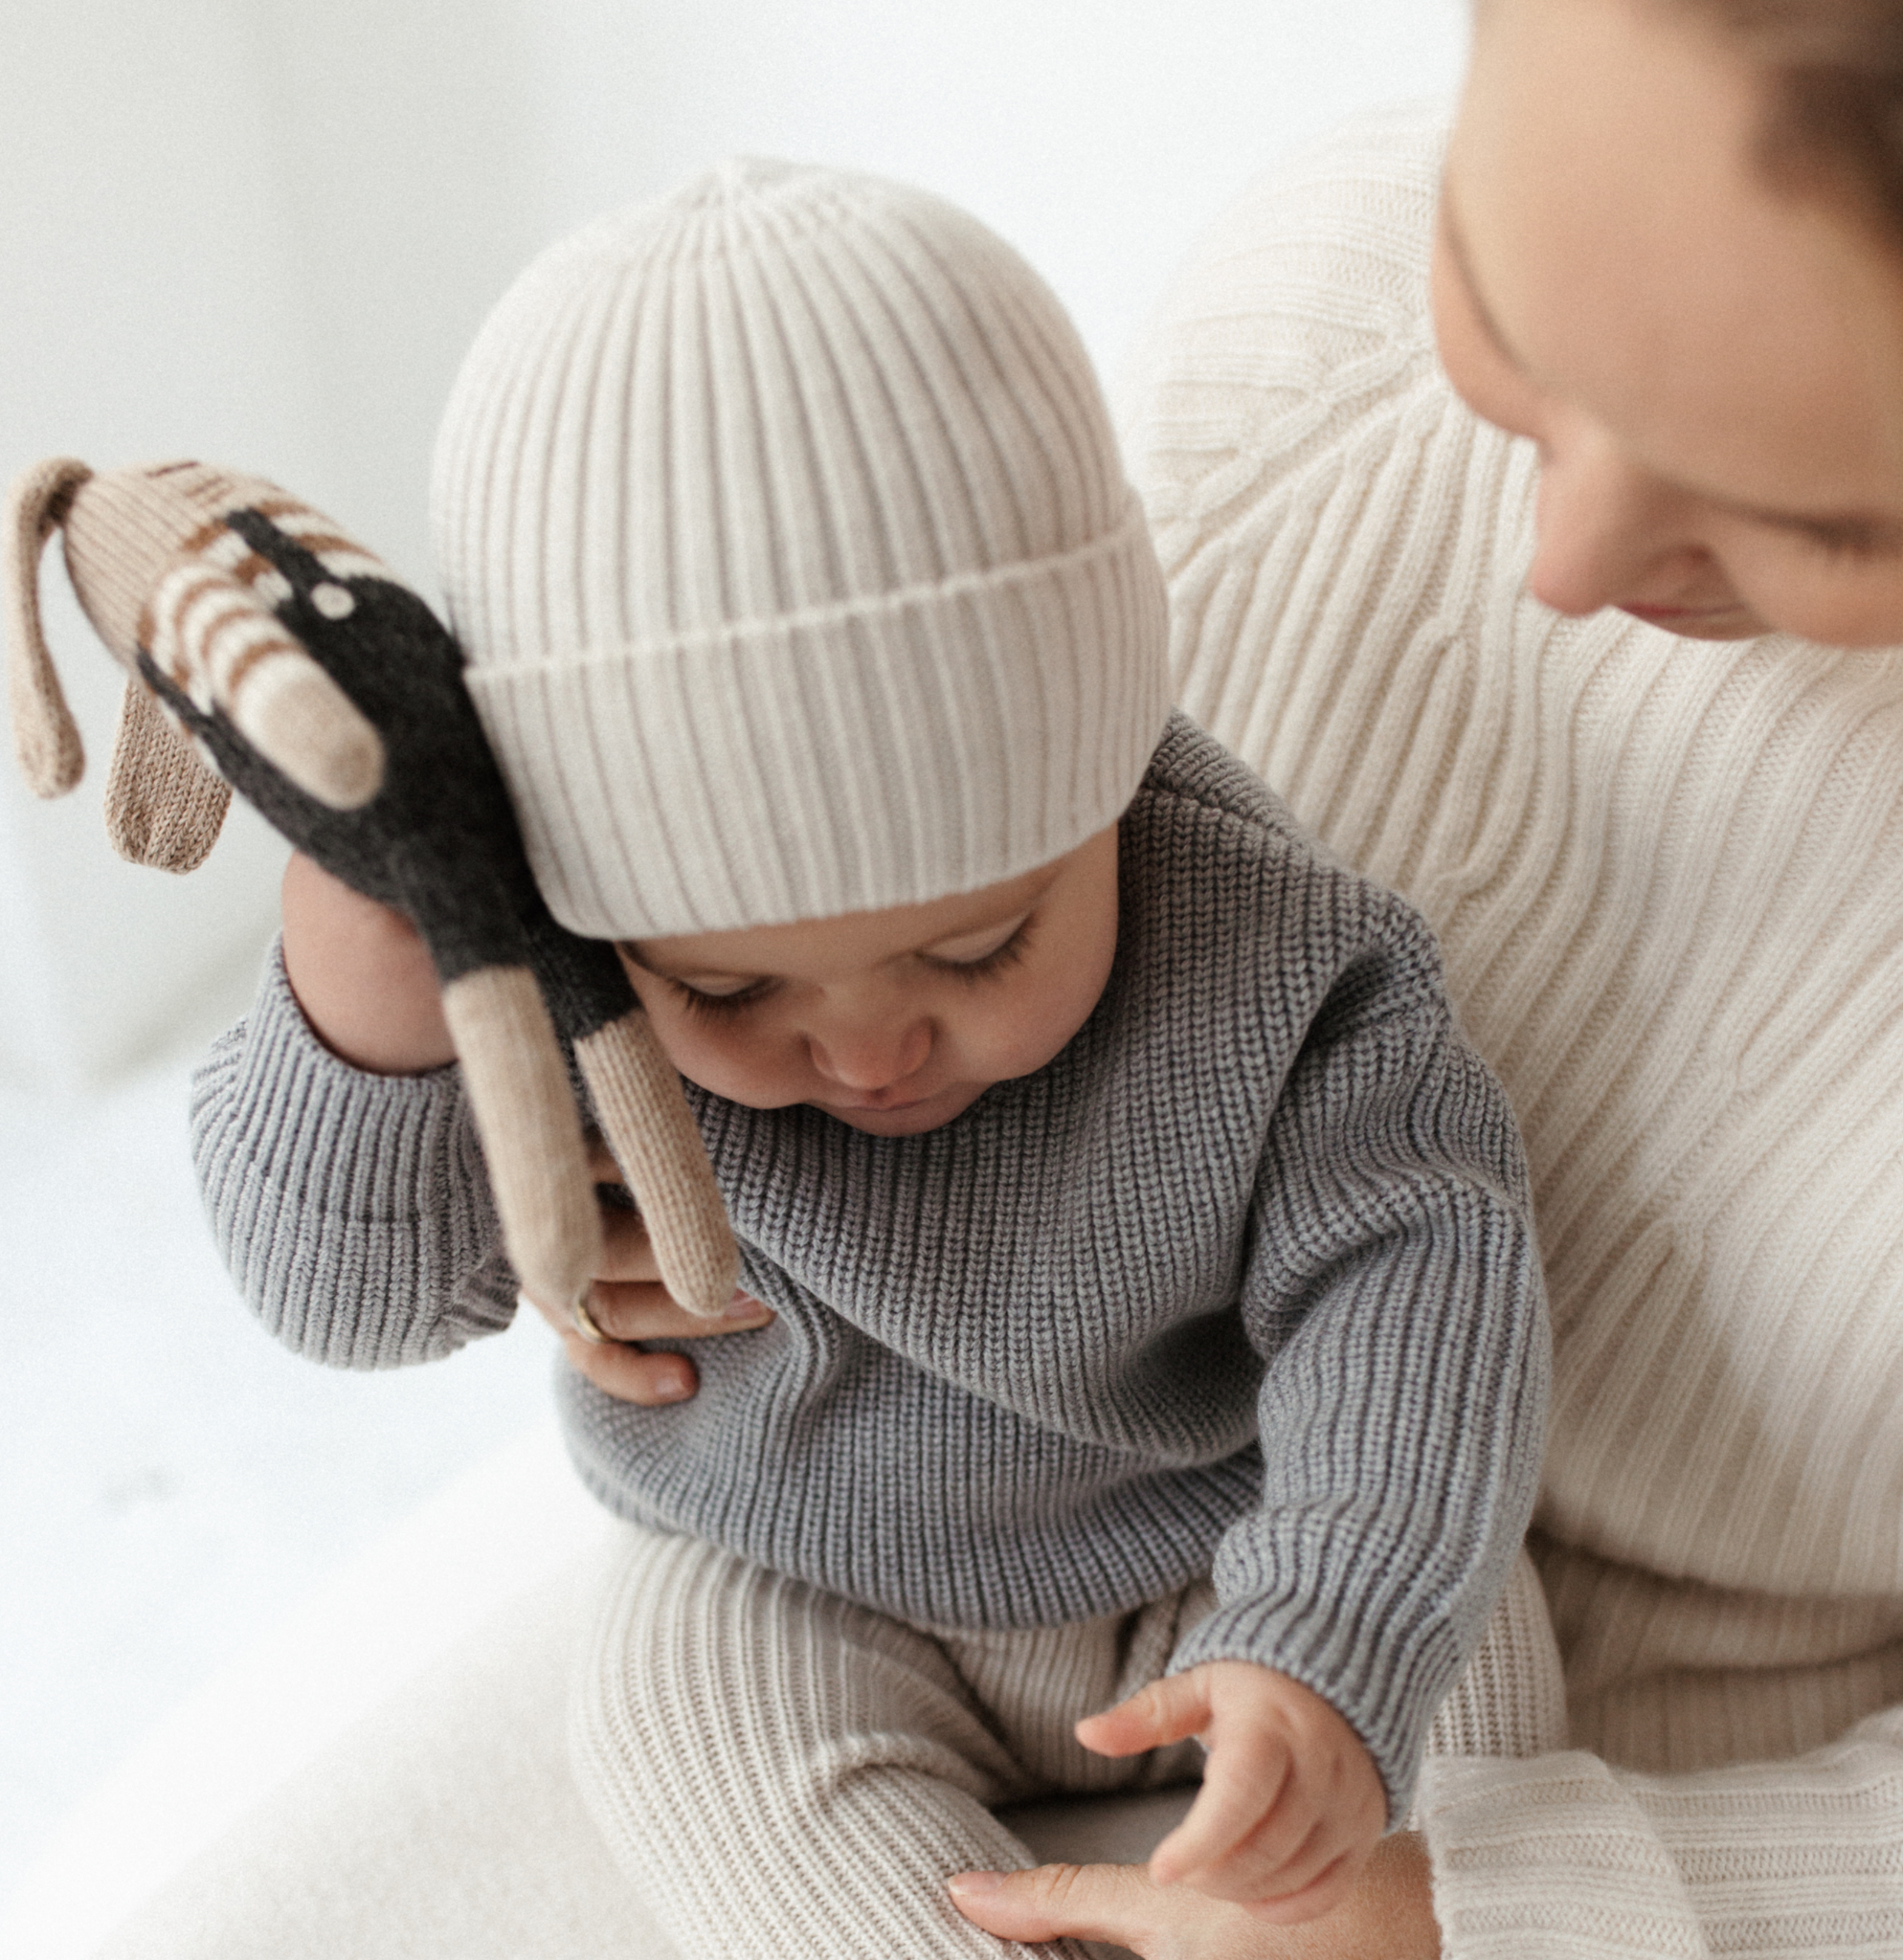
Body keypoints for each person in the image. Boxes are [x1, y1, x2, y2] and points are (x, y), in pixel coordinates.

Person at [187, 161, 1548, 1958]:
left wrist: (1331, 1636)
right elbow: (349, 1303)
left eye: (981, 944)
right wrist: (372, 979)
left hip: (1217, 1520)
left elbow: (1423, 1279)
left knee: (1485, 1663)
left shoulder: (1274, 945)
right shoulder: (557, 965)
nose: (870, 1044)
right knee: (672, 1705)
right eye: (731, 991)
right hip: (797, 1566)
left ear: (1110, 751)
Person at [944, 0, 1903, 1953]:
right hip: (1083, 1500)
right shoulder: (1318, 317)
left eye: (1820, 521)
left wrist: (1490, 1913)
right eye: (1503, 308)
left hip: (1684, 1803)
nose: (1561, 558)